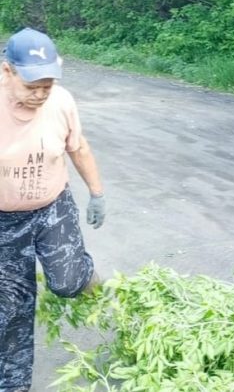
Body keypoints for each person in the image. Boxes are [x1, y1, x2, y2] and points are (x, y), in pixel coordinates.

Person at [1, 28, 107, 392]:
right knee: (11, 309)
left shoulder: (60, 102)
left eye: (47, 83)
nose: (41, 92)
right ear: (7, 72)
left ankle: (87, 275)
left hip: (51, 209)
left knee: (67, 282)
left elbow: (78, 148)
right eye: (32, 85)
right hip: (3, 223)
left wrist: (97, 193)